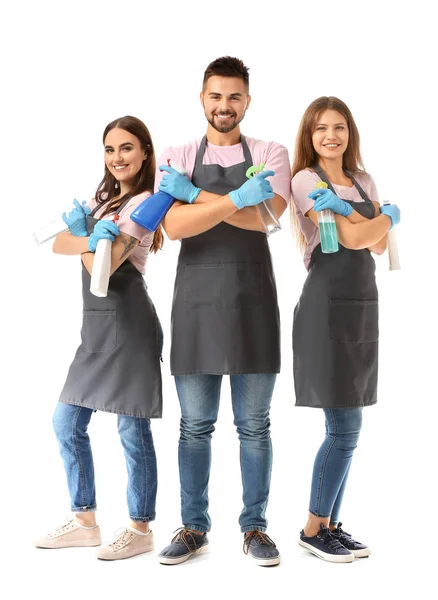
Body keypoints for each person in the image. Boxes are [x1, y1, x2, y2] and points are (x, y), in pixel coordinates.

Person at [154, 56, 291, 566]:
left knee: (254, 425)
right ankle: (193, 528)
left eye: (234, 96)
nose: (224, 105)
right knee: (195, 425)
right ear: (202, 99)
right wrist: (234, 198)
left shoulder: (271, 151)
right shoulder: (178, 154)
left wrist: (197, 200)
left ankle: (255, 528)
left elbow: (269, 219)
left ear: (247, 101)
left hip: (253, 302)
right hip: (195, 305)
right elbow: (176, 228)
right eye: (216, 96)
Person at [35, 116, 164, 561]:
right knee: (66, 422)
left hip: (128, 324)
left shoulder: (147, 202)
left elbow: (101, 270)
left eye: (126, 148)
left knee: (131, 426)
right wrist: (90, 236)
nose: (117, 158)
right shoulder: (104, 198)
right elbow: (58, 245)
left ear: (145, 151)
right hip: (95, 328)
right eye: (109, 150)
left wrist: (85, 237)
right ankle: (85, 521)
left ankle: (140, 527)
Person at [291, 97, 401, 563]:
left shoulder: (363, 179)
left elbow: (377, 248)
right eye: (321, 129)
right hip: (324, 309)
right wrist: (386, 215)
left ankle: (331, 525)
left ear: (349, 132)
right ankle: (313, 528)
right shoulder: (303, 180)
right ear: (310, 136)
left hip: (361, 309)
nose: (331, 136)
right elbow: (360, 237)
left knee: (349, 426)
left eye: (339, 127)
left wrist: (361, 215)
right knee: (344, 427)